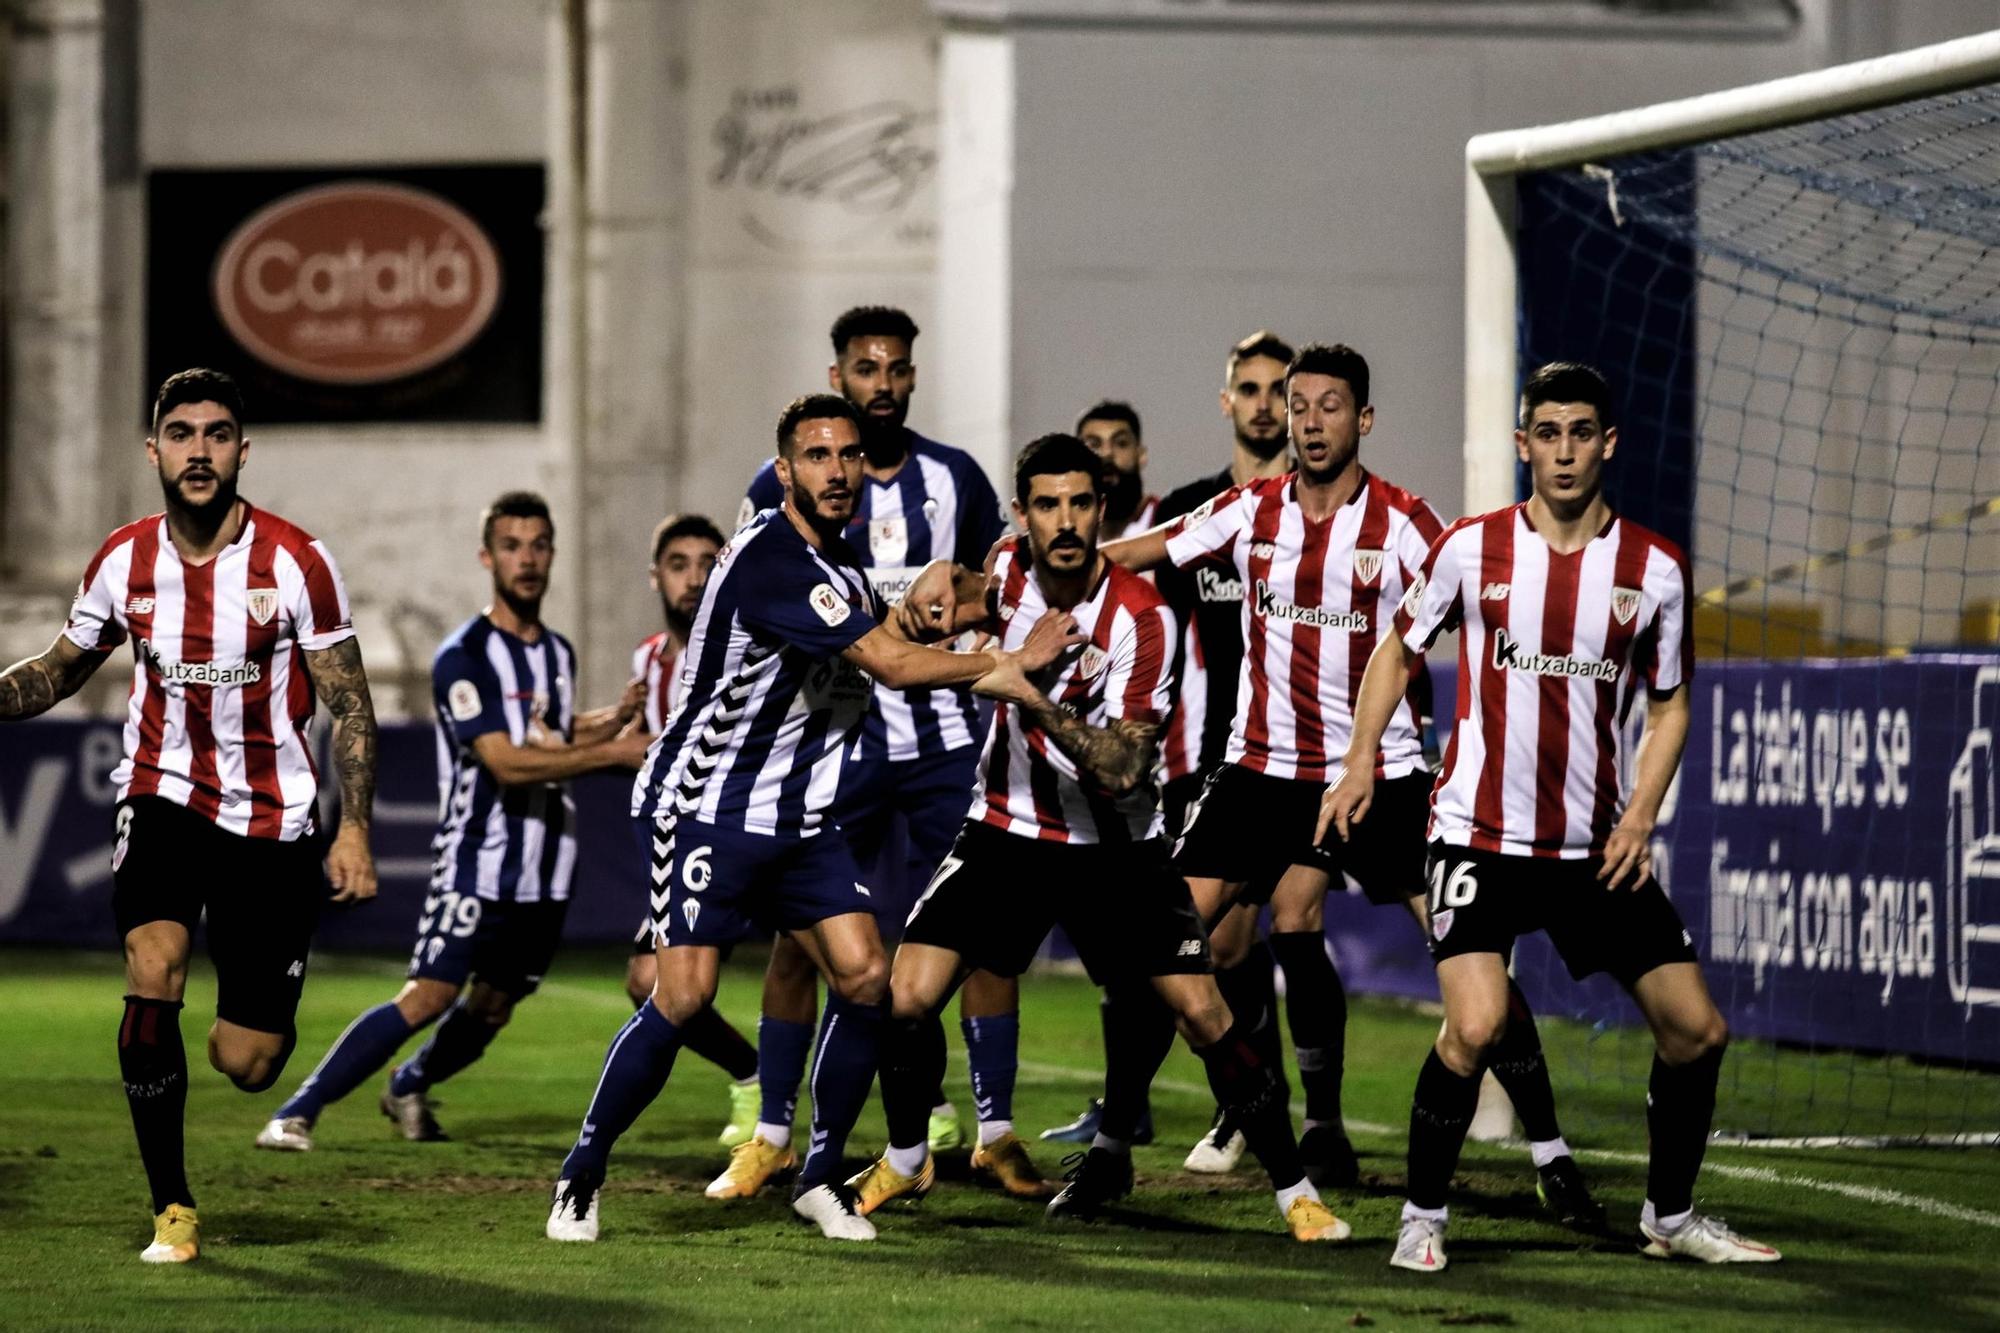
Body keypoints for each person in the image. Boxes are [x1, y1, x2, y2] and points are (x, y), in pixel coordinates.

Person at [545, 394, 1078, 1244]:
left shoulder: (841, 565)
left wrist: (968, 594)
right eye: (817, 456)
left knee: (867, 976)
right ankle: (581, 1171)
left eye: (849, 455)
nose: (837, 471)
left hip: (798, 812)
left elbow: (891, 631)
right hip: (708, 805)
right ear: (784, 471)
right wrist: (1011, 660)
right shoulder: (772, 559)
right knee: (681, 995)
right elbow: (894, 664)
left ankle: (821, 1173)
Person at [1323, 361, 1780, 1272]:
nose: (1564, 451)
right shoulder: (1470, 548)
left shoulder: (1654, 569)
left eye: (1582, 433)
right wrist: (1362, 757)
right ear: (1522, 442)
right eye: (1548, 432)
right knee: (1478, 1024)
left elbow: (1672, 704)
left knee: (1697, 1031)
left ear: (1606, 443)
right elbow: (1396, 650)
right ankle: (1422, 1215)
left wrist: (1639, 815)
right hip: (1477, 839)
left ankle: (1670, 1215)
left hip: (1590, 849)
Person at [847, 433, 1349, 1245]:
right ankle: (908, 1157)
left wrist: (1026, 687)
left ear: (1102, 511)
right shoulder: (1008, 571)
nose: (1066, 520)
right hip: (1005, 828)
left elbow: (1121, 766)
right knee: (904, 995)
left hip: (1116, 846)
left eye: (1081, 503)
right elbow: (951, 605)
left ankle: (1295, 1189)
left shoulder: (1143, 620)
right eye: (1048, 504)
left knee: (1202, 1011)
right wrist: (928, 596)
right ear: (1023, 516)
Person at [0, 368, 380, 1263]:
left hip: (273, 822)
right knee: (152, 962)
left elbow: (351, 704)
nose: (198, 450)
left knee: (246, 1061)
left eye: (216, 434)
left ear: (242, 450)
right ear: (155, 450)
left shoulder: (296, 562)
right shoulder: (122, 560)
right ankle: (172, 1206)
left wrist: (355, 826)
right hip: (161, 794)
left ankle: (243, 1030)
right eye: (181, 433)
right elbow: (59, 667)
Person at [720, 305, 1032, 1204]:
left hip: (942, 750)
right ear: (839, 374)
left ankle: (994, 1130)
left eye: (897, 369)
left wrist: (966, 605)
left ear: (913, 378)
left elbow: (991, 588)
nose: (882, 384)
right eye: (866, 369)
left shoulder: (954, 479)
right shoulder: (783, 488)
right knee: (797, 939)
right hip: (835, 747)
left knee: (981, 936)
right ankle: (774, 1134)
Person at [257, 492, 653, 1150]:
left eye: (537, 545)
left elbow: (545, 732)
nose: (526, 560)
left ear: (552, 553)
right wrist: (615, 751)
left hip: (544, 870)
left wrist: (607, 719)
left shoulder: (556, 651)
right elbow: (504, 760)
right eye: (511, 546)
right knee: (429, 993)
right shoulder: (463, 656)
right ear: (486, 557)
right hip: (477, 864)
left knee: (493, 1007)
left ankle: (408, 1081)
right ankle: (297, 1110)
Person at [1044, 332, 1296, 1168]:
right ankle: (1171, 1120)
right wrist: (1028, 573)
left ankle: (1298, 1118)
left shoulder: (1342, 519)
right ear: (1227, 400)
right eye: (1249, 388)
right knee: (1198, 950)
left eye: (1280, 389)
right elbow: (1128, 592)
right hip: (1200, 768)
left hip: (1303, 762)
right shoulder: (1202, 512)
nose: (1265, 404)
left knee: (1290, 923)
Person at [619, 515, 765, 1148]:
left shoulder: (749, 647)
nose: (695, 577)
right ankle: (759, 1082)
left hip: (750, 828)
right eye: (679, 563)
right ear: (656, 575)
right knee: (651, 983)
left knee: (847, 973)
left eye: (709, 562)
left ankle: (925, 1109)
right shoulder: (649, 661)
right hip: (684, 844)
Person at [1075, 400, 1156, 541]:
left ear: (1141, 455)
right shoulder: (1064, 531)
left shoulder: (1172, 523)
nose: (1107, 453)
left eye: (1121, 443)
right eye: (1093, 444)